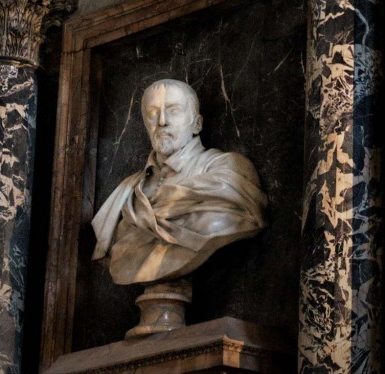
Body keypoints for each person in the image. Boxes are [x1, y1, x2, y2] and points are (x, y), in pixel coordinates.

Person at [91, 79, 267, 285]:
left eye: (174, 110)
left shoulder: (229, 171)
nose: (162, 121)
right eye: (153, 113)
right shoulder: (126, 191)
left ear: (197, 123)